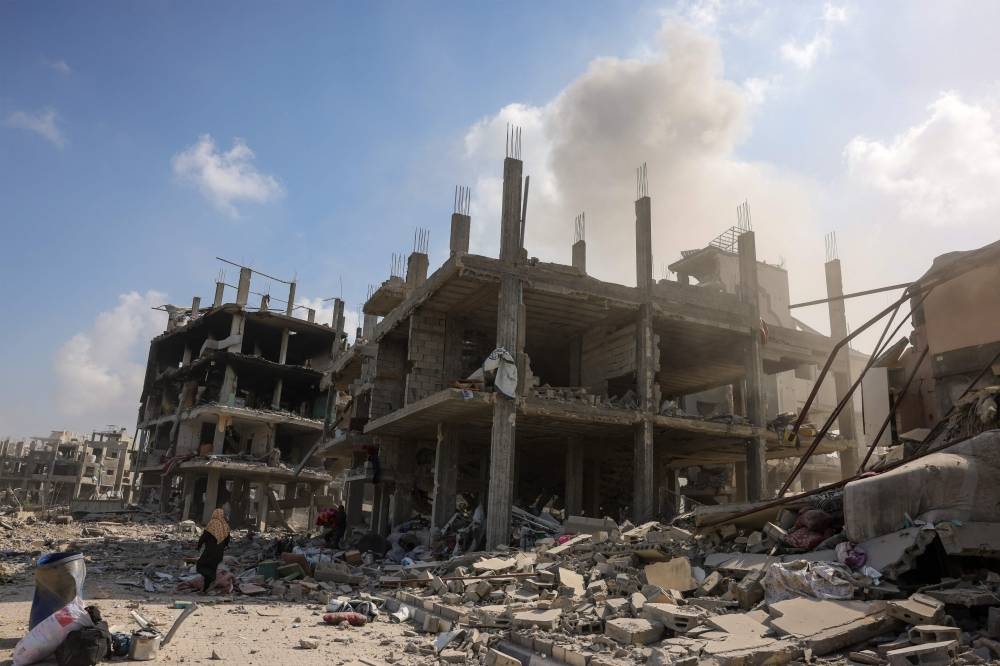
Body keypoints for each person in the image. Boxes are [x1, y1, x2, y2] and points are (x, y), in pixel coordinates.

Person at [197, 508, 230, 593]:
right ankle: (205, 589)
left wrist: (199, 546)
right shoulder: (225, 525)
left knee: (200, 565)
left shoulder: (212, 524)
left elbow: (204, 537)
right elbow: (227, 540)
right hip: (219, 554)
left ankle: (212, 579)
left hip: (209, 552)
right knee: (212, 568)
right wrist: (224, 546)